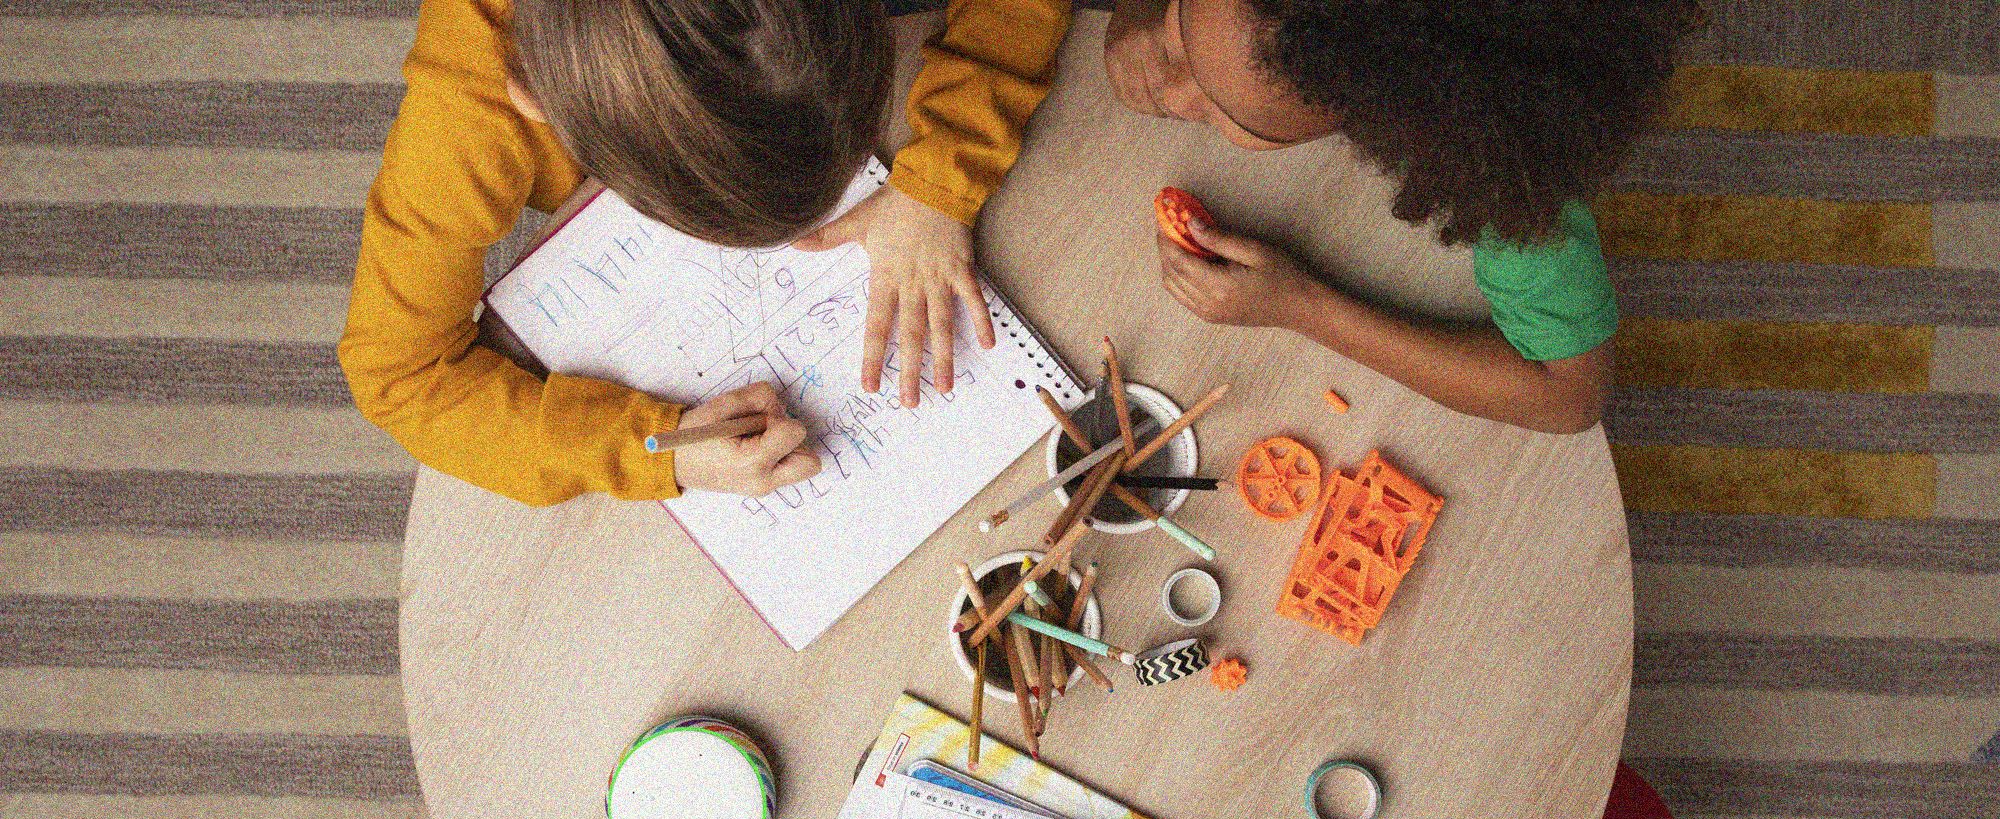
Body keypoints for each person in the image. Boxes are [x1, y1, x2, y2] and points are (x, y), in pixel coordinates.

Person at [340, 0, 1070, 504]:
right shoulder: (470, 121)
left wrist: (941, 175)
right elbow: (399, 374)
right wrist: (651, 449)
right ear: (532, 100)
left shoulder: (509, 103)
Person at [1103, 0, 1700, 433]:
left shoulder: (1496, 149)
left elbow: (1569, 395)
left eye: (1215, 108)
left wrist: (1300, 306)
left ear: (1391, 115)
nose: (1166, 90)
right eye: (1181, 16)